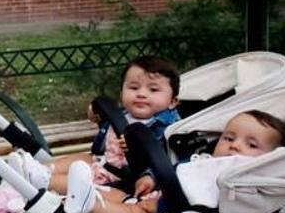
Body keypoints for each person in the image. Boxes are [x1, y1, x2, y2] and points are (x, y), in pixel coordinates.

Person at [60, 110, 285, 213]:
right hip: (152, 199)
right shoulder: (207, 161)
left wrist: (159, 208)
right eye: (228, 138)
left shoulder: (233, 184)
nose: (235, 146)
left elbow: (203, 207)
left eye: (251, 145)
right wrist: (152, 177)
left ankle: (88, 204)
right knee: (116, 194)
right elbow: (177, 171)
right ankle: (74, 192)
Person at [12, 56, 182, 200]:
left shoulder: (169, 127)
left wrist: (149, 177)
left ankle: (43, 181)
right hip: (102, 160)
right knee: (83, 159)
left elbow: (168, 161)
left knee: (81, 180)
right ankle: (41, 169)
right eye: (134, 88)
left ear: (173, 101)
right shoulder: (124, 114)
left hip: (121, 177)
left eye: (153, 89)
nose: (141, 94)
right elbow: (104, 131)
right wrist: (97, 115)